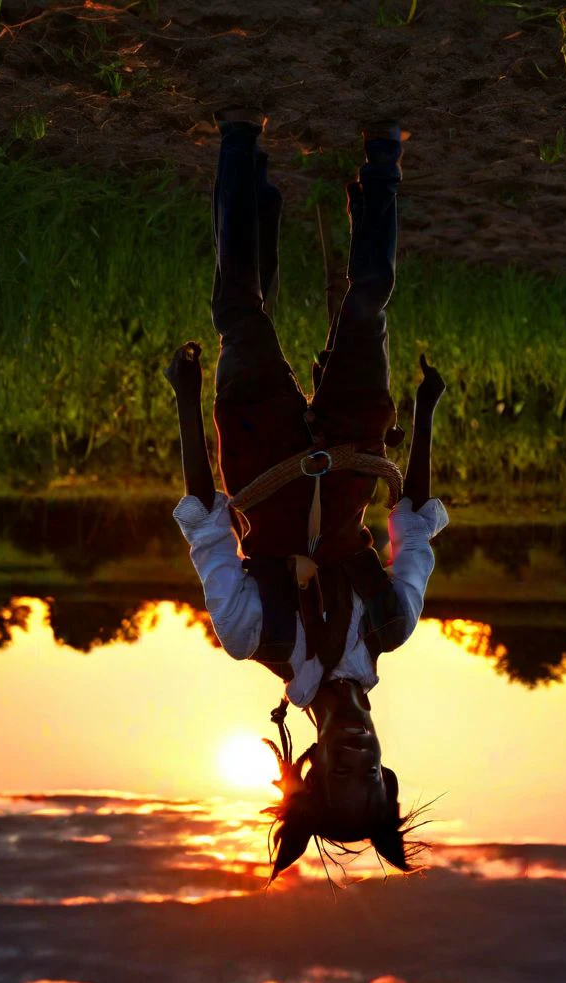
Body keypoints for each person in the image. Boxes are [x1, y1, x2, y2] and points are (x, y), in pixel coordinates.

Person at [165, 107, 448, 881]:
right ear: (386, 773)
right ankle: (382, 164)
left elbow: (208, 523)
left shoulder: (254, 635)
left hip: (260, 450)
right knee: (369, 303)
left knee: (237, 310)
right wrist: (423, 416)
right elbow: (414, 521)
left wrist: (188, 402)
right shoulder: (393, 623)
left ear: (313, 767)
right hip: (356, 453)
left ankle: (238, 144)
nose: (358, 762)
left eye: (340, 777)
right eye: (373, 779)